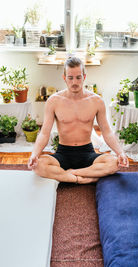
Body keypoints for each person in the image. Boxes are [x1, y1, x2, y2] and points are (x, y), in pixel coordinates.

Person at [27, 56, 129, 184]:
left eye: (78, 77)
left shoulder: (96, 101)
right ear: (64, 78)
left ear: (84, 77)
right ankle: (82, 179)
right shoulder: (53, 101)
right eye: (70, 78)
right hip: (63, 153)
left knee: (114, 163)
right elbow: (44, 133)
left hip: (87, 152)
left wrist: (121, 153)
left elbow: (107, 132)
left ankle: (70, 175)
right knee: (38, 166)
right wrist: (34, 155)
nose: (74, 82)